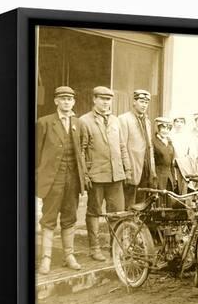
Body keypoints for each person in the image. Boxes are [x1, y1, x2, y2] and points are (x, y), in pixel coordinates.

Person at [36, 86, 86, 274]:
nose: (66, 102)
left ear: (73, 102)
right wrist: (39, 178)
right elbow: (35, 155)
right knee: (48, 219)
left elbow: (80, 151)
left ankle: (69, 256)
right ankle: (46, 259)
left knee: (70, 217)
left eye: (69, 99)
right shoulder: (44, 123)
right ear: (56, 101)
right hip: (52, 179)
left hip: (72, 179)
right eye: (63, 98)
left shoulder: (78, 123)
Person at [80, 86, 131, 262]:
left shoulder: (116, 121)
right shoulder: (84, 121)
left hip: (116, 175)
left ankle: (115, 247)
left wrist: (127, 169)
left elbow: (122, 146)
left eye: (108, 99)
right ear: (94, 99)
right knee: (94, 211)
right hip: (96, 175)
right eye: (101, 98)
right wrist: (85, 174)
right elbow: (81, 150)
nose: (105, 102)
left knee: (118, 212)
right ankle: (94, 248)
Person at [118, 90, 157, 209]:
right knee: (129, 205)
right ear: (134, 102)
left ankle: (138, 227)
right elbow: (121, 145)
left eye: (146, 102)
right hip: (132, 169)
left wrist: (152, 171)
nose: (144, 105)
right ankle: (127, 227)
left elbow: (149, 146)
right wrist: (127, 169)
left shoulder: (147, 121)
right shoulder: (124, 119)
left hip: (146, 170)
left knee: (142, 205)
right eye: (141, 101)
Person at [152, 117, 177, 206]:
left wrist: (174, 179)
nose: (165, 131)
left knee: (169, 203)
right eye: (163, 128)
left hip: (169, 178)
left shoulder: (169, 142)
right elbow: (152, 163)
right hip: (159, 177)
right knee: (159, 204)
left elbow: (171, 164)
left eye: (168, 128)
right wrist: (154, 180)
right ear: (158, 128)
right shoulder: (153, 142)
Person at [171, 114, 197, 193]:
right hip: (173, 167)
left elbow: (193, 154)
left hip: (185, 168)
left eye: (181, 122)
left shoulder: (189, 137)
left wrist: (184, 162)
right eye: (177, 121)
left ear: (184, 124)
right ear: (174, 123)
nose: (179, 124)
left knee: (184, 191)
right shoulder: (170, 136)